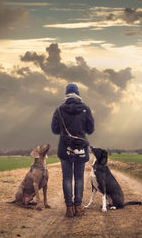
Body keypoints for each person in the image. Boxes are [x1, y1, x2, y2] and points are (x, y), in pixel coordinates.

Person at [51, 83, 94, 217]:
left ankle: (69, 208)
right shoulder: (85, 109)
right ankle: (78, 206)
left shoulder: (59, 110)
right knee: (79, 178)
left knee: (67, 178)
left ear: (66, 94)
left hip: (65, 148)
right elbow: (90, 129)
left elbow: (55, 129)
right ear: (78, 94)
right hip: (80, 148)